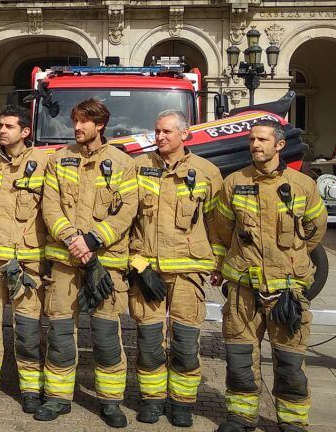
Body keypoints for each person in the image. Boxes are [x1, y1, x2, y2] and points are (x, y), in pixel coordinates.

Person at [211, 120, 327, 432]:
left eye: (262, 139)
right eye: (251, 139)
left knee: (290, 359)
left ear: (279, 145)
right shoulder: (234, 182)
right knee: (239, 357)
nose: (255, 145)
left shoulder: (303, 185)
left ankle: (292, 421)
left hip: (287, 291)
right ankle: (240, 416)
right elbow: (221, 230)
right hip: (243, 290)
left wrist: (289, 260)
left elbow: (315, 232)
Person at [39, 98, 137, 424]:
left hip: (105, 263)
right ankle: (57, 397)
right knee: (60, 331)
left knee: (107, 334)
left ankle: (110, 402)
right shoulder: (59, 160)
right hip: (66, 262)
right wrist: (72, 239)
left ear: (100, 125)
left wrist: (93, 240)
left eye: (84, 122)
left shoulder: (123, 164)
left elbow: (126, 213)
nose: (77, 128)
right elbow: (50, 207)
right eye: (75, 121)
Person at [128, 110, 224, 426]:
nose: (160, 137)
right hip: (147, 271)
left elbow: (217, 224)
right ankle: (152, 401)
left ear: (185, 135)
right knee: (150, 342)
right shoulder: (139, 169)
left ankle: (182, 404)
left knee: (184, 343)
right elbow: (125, 224)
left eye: (167, 131)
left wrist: (218, 265)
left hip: (188, 273)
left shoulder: (207, 173)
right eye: (157, 131)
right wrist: (139, 267)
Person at [0, 105, 50, 413]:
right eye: (0, 125)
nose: (2, 130)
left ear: (25, 132)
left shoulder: (44, 163)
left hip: (28, 263)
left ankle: (30, 389)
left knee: (28, 330)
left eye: (9, 126)